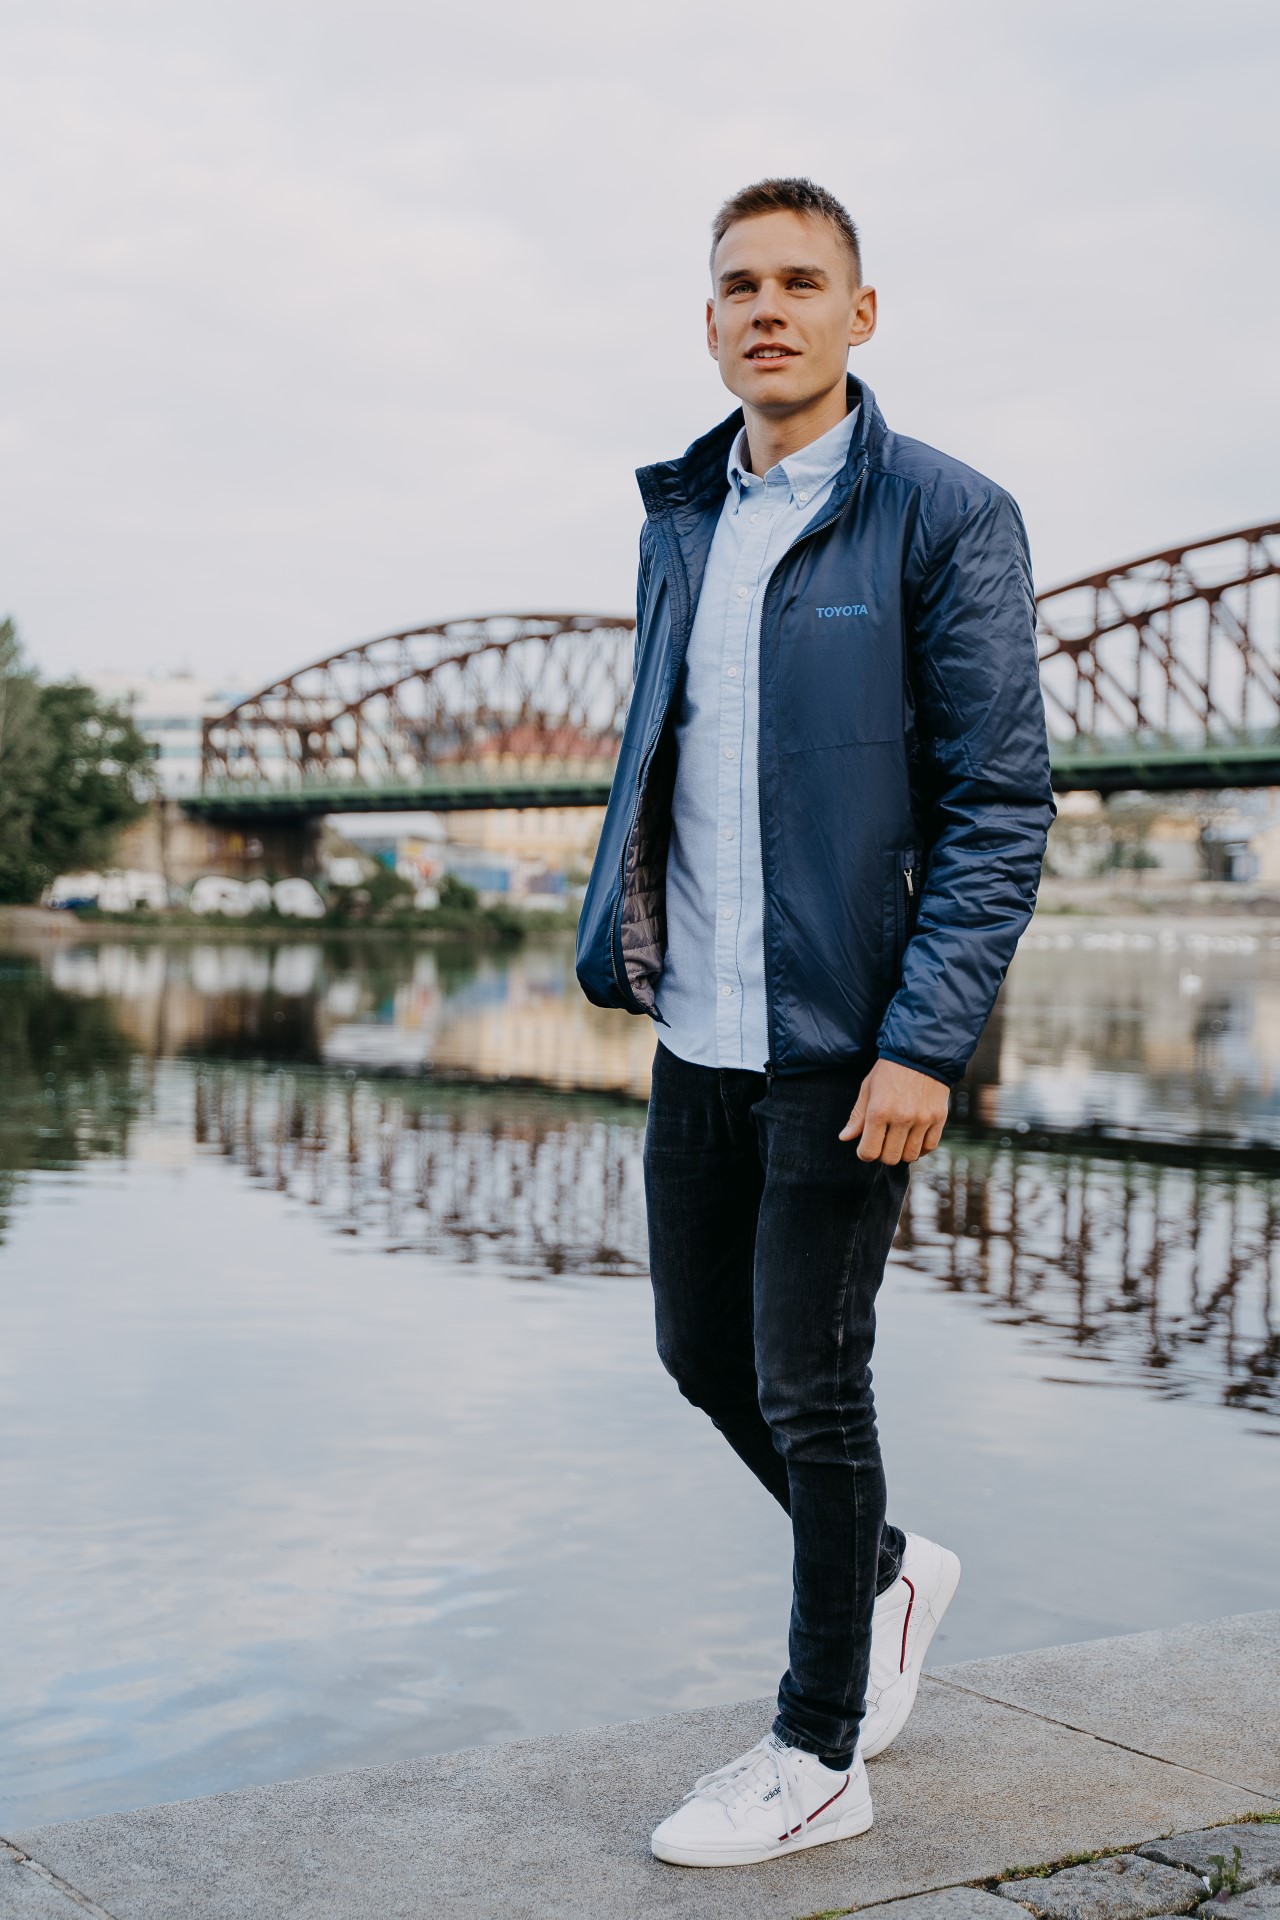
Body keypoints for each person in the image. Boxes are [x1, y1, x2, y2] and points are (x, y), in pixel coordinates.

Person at [574, 176, 1056, 1869]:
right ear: (708, 321)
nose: (766, 308)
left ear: (861, 313)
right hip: (697, 1026)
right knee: (701, 1355)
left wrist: (926, 1041)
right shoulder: (682, 516)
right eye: (738, 285)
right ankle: (889, 1575)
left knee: (810, 1384)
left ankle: (818, 1751)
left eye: (800, 281)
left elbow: (998, 800)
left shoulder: (945, 514)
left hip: (850, 1036)